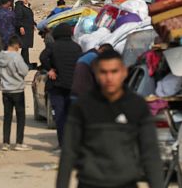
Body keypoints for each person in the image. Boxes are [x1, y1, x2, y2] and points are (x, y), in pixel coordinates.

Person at [57, 49, 163, 188]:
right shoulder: (83, 106)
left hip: (126, 183)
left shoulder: (137, 106)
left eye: (114, 71)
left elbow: (150, 154)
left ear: (124, 72)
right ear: (96, 73)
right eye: (104, 72)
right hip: (89, 183)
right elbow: (68, 153)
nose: (109, 78)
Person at [39, 23, 83, 148]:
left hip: (57, 85)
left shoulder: (53, 46)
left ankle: (62, 144)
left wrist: (50, 69)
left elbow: (43, 57)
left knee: (59, 116)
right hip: (73, 85)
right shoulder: (77, 47)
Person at [0, 35, 31, 151]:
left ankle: (5, 142)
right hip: (17, 89)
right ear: (16, 45)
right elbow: (24, 71)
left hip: (5, 89)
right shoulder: (16, 57)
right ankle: (19, 142)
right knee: (20, 117)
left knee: (7, 116)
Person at [14, 0, 36, 65]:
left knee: (25, 47)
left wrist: (33, 24)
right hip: (24, 29)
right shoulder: (19, 7)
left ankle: (25, 62)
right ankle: (25, 62)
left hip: (28, 29)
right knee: (25, 46)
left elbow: (29, 17)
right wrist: (20, 26)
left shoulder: (27, 7)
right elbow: (18, 18)